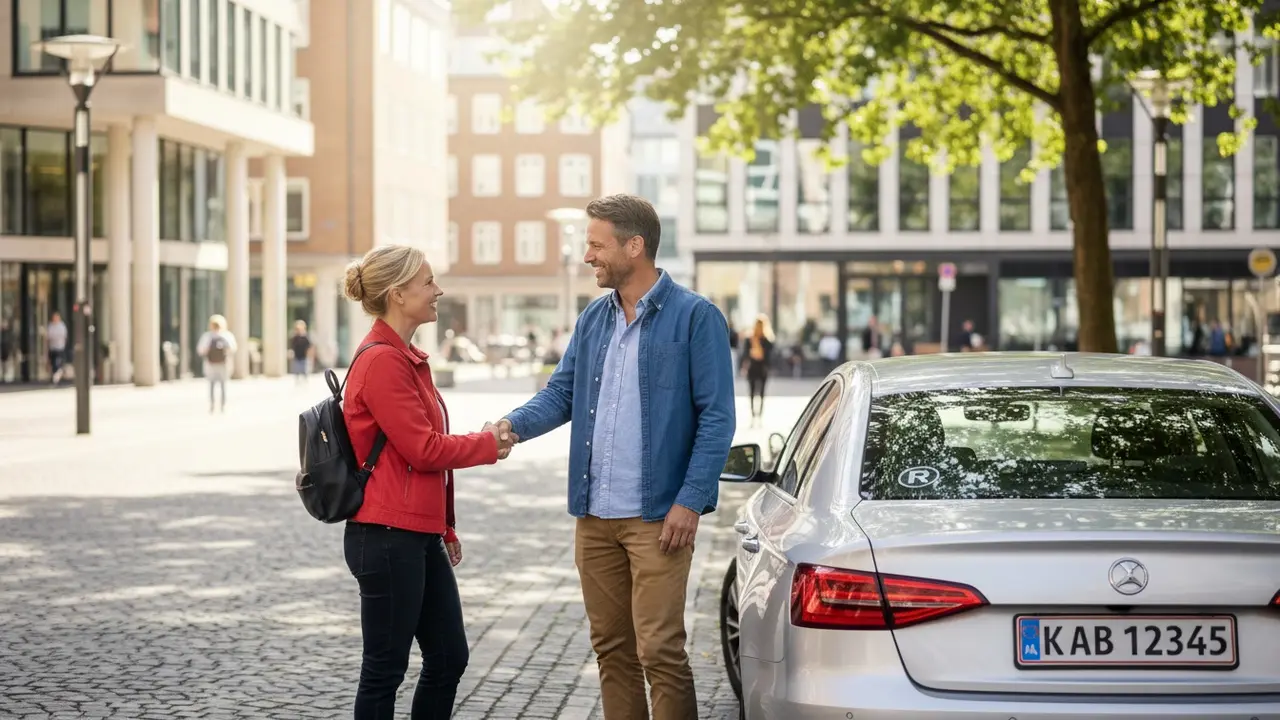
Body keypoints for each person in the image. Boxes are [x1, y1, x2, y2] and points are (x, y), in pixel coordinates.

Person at [492, 194, 736, 720]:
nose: (588, 256)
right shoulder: (594, 319)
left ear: (634, 246)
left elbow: (717, 418)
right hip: (594, 517)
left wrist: (690, 500)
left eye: (597, 245)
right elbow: (561, 393)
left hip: (659, 518)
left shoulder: (696, 318)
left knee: (661, 652)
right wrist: (512, 426)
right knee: (612, 651)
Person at [340, 244, 517, 720]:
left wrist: (444, 526)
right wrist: (487, 443)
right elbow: (423, 450)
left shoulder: (405, 357)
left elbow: (420, 453)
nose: (438, 290)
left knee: (448, 656)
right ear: (398, 294)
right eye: (428, 282)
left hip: (415, 532)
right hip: (386, 535)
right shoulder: (382, 362)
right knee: (385, 670)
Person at [196, 314, 237, 413]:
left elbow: (200, 350)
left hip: (213, 364)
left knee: (213, 385)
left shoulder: (207, 336)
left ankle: (214, 405)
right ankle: (221, 405)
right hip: (221, 364)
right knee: (222, 385)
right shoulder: (226, 336)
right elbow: (233, 349)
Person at [740, 314, 774, 426]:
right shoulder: (749, 339)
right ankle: (753, 416)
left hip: (762, 369)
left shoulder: (767, 340)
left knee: (762, 393)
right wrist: (744, 365)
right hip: (752, 368)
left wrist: (759, 353)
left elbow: (769, 356)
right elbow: (745, 355)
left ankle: (759, 416)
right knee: (752, 392)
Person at [47, 311, 68, 385]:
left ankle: (57, 376)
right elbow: (48, 337)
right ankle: (55, 376)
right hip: (52, 347)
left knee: (57, 362)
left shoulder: (62, 326)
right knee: (53, 363)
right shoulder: (50, 326)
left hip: (60, 347)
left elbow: (64, 336)